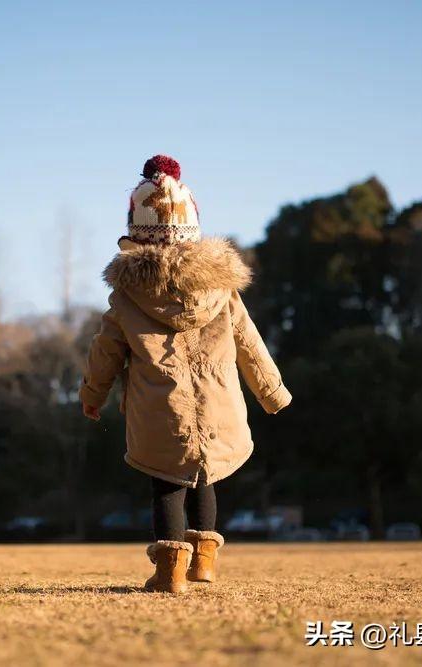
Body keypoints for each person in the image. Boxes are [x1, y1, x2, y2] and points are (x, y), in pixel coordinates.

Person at [79, 154, 292, 593]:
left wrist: (92, 395)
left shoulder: (126, 297)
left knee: (166, 483)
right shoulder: (222, 289)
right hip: (219, 401)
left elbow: (106, 353)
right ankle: (205, 563)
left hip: (159, 406)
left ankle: (169, 572)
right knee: (206, 476)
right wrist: (272, 392)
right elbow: (249, 342)